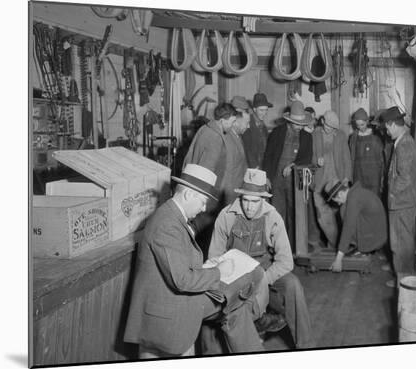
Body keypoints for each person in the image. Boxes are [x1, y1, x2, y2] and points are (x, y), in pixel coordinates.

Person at [124, 164, 264, 357]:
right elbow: (182, 280)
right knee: (236, 296)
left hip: (173, 298)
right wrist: (219, 271)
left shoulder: (172, 216)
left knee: (233, 304)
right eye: (203, 201)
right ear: (189, 195)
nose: (204, 208)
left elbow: (179, 264)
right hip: (168, 309)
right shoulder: (167, 224)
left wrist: (206, 267)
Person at [209, 168, 314, 349]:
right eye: (245, 200)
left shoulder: (272, 217)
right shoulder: (226, 216)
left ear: (263, 199)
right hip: (235, 275)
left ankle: (305, 345)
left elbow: (286, 260)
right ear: (240, 196)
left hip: (265, 271)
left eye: (255, 201)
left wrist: (264, 279)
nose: (249, 206)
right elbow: (214, 258)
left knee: (293, 286)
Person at [182, 103, 239, 249]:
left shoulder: (205, 129)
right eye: (232, 122)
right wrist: (206, 201)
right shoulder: (216, 138)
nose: (232, 126)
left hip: (193, 188)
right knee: (206, 237)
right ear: (223, 120)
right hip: (207, 195)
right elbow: (207, 171)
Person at [382, 106, 416, 287]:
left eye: (386, 127)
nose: (385, 130)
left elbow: (405, 177)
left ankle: (405, 280)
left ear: (392, 124)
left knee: (402, 242)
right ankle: (400, 273)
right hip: (403, 200)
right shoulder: (403, 141)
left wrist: (392, 191)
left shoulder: (404, 144)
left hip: (403, 201)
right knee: (400, 240)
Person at [263, 100, 313, 245]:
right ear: (289, 121)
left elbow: (307, 158)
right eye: (296, 124)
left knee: (294, 214)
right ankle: (277, 245)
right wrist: (267, 177)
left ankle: (292, 246)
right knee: (277, 213)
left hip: (295, 182)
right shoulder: (277, 133)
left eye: (301, 124)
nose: (299, 127)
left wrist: (293, 165)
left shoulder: (307, 137)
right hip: (276, 180)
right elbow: (268, 155)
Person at [324, 180, 388, 272]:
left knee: (344, 213)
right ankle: (363, 246)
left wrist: (338, 260)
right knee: (343, 209)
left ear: (341, 194)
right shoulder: (355, 192)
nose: (338, 203)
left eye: (337, 200)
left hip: (375, 236)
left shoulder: (354, 199)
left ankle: (365, 248)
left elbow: (348, 228)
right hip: (378, 232)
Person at [311, 110, 352, 249]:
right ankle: (336, 244)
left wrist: (347, 177)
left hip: (336, 181)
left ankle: (336, 245)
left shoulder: (340, 135)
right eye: (328, 126)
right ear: (322, 121)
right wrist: (316, 161)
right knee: (321, 215)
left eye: (333, 128)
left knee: (339, 214)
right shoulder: (314, 134)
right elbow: (308, 156)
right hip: (320, 181)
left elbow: (346, 157)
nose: (330, 130)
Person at [349, 108, 385, 196]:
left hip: (374, 177)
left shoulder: (376, 136)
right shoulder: (353, 138)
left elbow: (381, 160)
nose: (360, 127)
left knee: (373, 202)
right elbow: (352, 158)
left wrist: (382, 178)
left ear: (367, 121)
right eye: (357, 125)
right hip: (359, 175)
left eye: (362, 124)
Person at [242, 93, 272, 169]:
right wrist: (254, 166)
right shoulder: (248, 124)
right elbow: (247, 149)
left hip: (261, 164)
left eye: (266, 110)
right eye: (261, 110)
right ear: (254, 109)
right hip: (252, 166)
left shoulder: (263, 126)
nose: (264, 113)